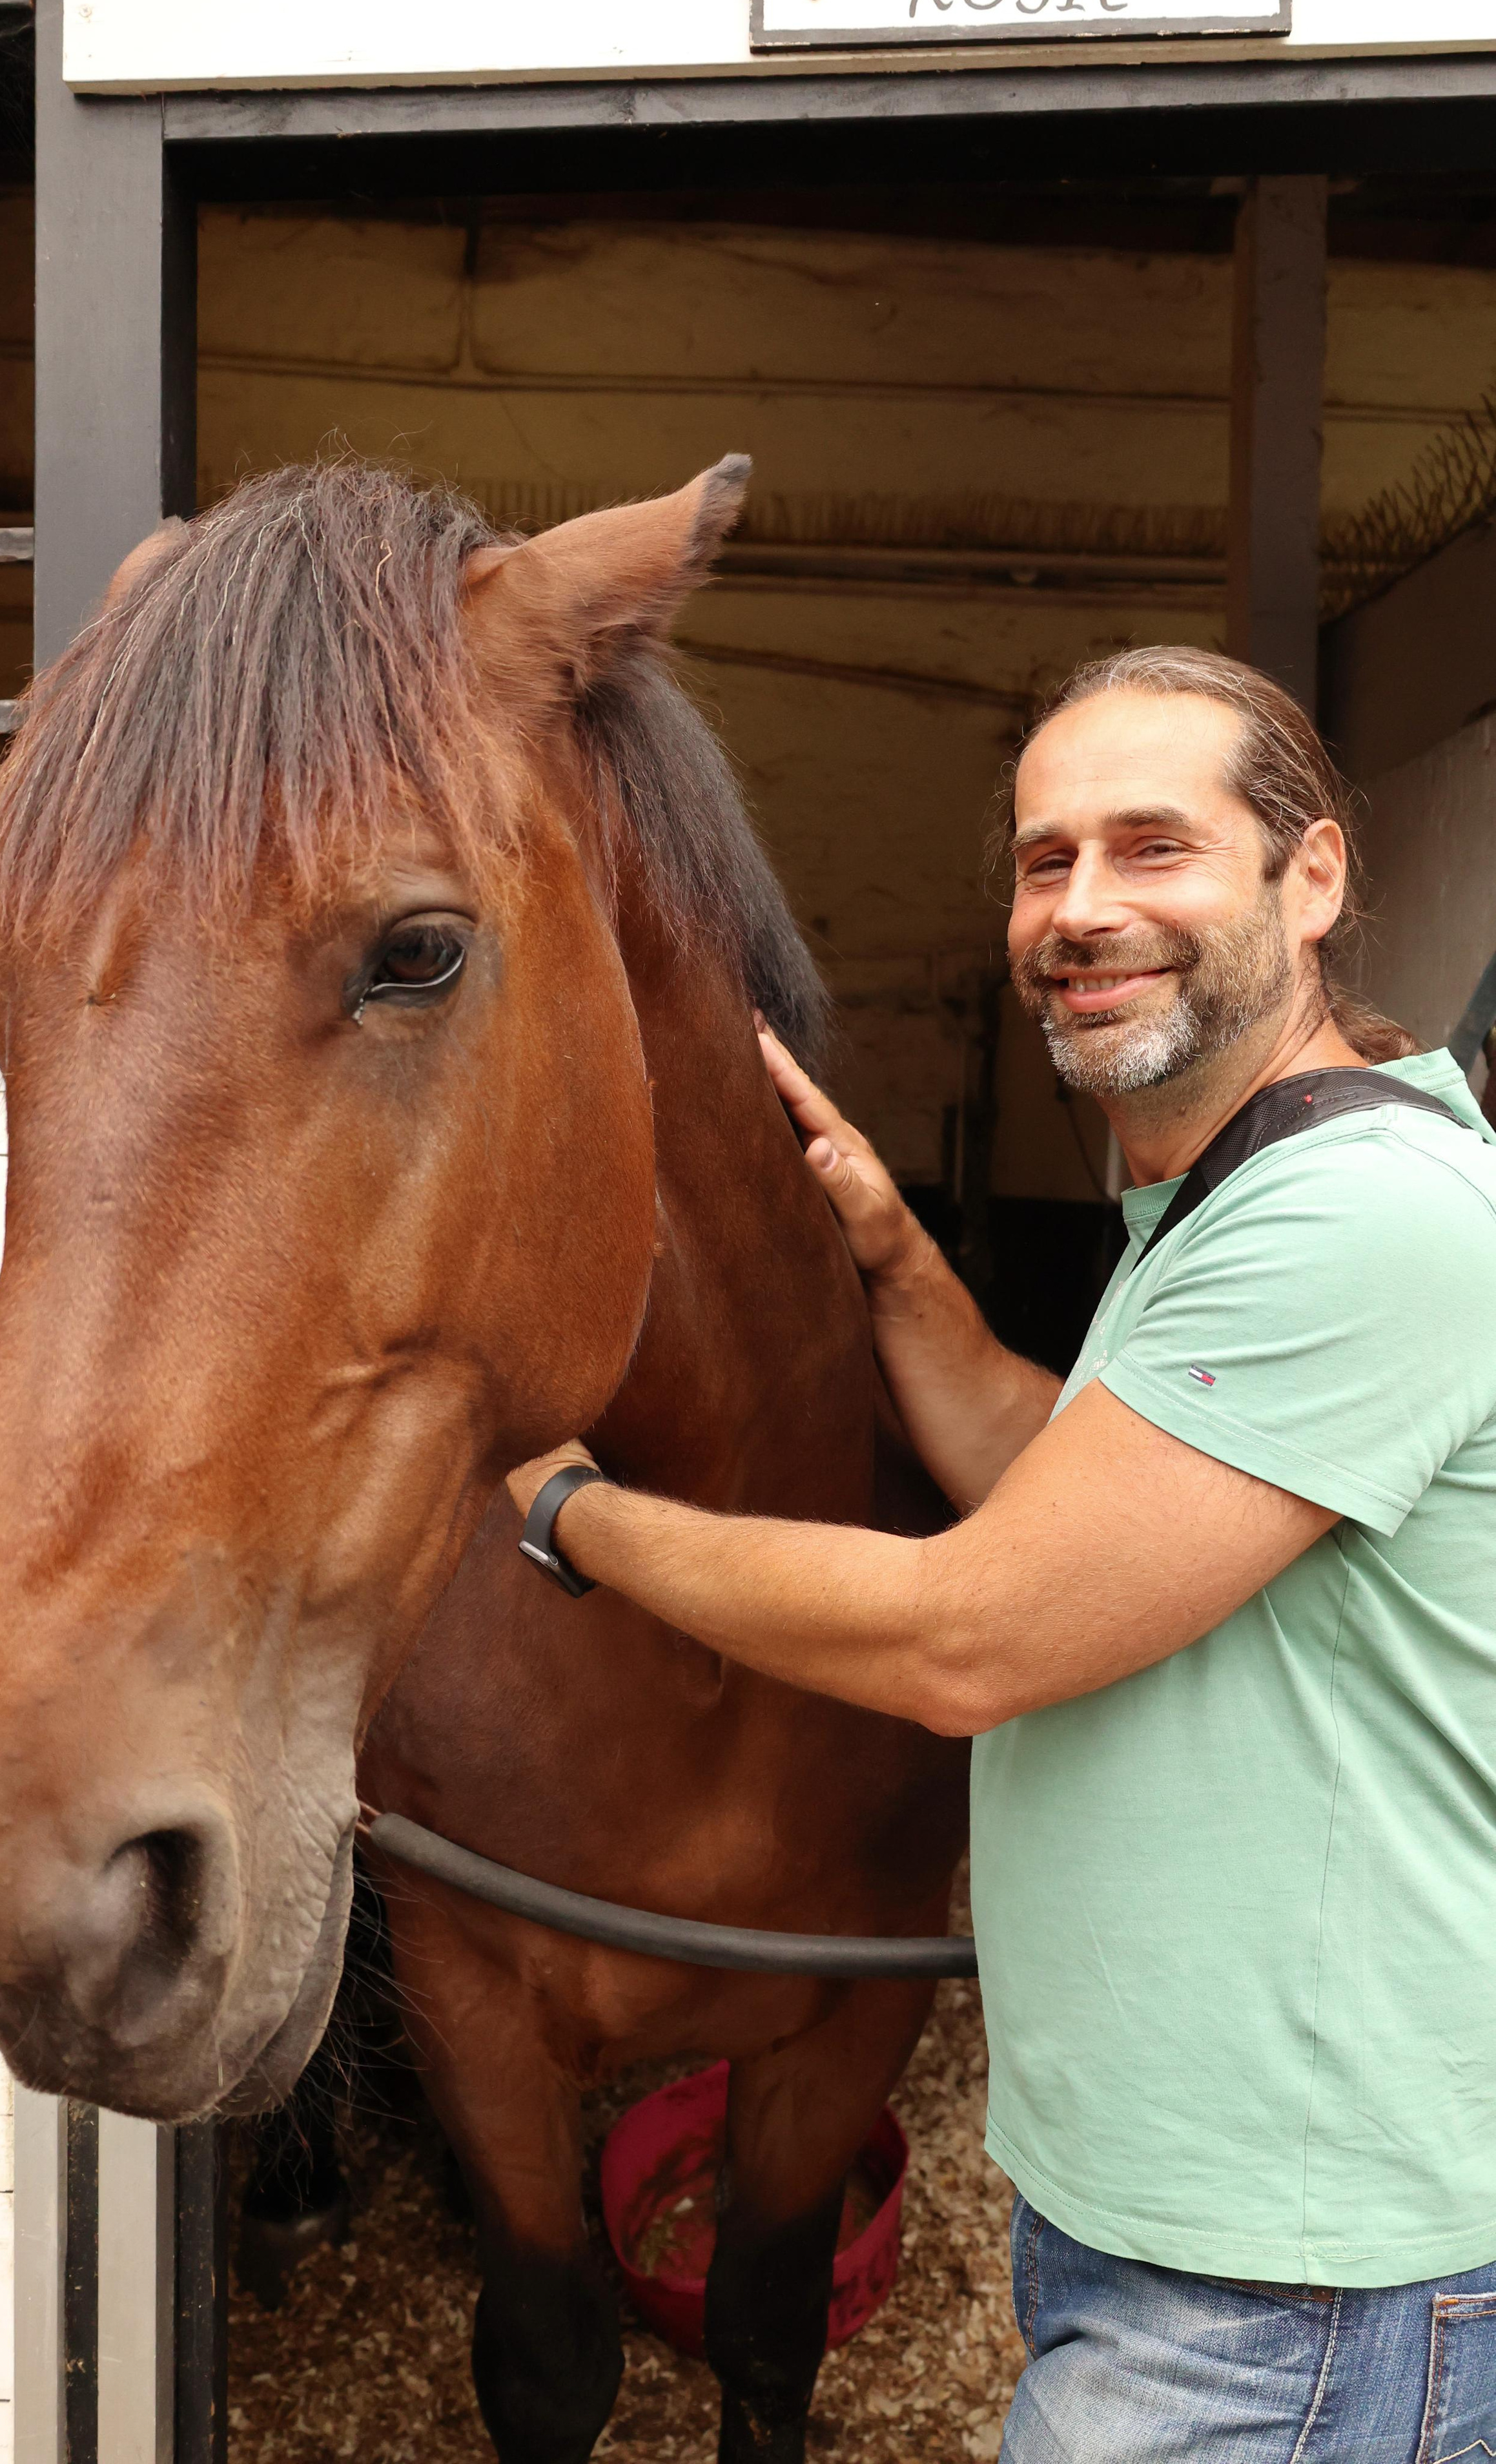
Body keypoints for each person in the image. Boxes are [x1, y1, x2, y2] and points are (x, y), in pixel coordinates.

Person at [506, 646, 1496, 2461]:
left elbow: (977, 1632)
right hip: (1188, 2220)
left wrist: (572, 1514)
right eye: (1048, 862)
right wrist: (890, 1255)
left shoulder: (1359, 1222)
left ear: (1320, 875)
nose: (1085, 908)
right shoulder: (1223, 1201)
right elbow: (1071, 1484)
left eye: (1152, 847)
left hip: (1290, 2291)